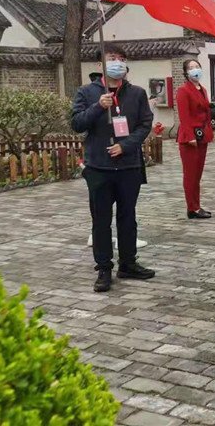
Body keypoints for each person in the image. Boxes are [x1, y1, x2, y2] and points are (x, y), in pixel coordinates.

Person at [71, 43, 155, 292]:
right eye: (111, 58)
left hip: (128, 166)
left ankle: (128, 263)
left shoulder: (136, 93)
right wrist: (99, 106)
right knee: (101, 220)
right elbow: (77, 123)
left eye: (121, 58)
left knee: (128, 217)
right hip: (99, 167)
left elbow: (145, 124)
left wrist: (126, 146)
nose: (117, 62)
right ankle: (104, 268)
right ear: (100, 65)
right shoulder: (87, 92)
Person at [176, 59, 214, 219]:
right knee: (190, 174)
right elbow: (184, 116)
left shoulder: (202, 89)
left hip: (202, 135)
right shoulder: (183, 90)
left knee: (198, 174)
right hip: (190, 137)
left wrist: (209, 130)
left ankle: (196, 205)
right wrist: (189, 136)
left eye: (197, 66)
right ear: (186, 72)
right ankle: (192, 208)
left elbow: (206, 112)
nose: (195, 70)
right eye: (191, 67)